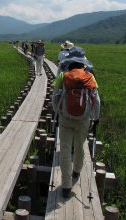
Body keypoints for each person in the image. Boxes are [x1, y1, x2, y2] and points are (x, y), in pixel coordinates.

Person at [51, 47, 100, 198]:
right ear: (83, 63)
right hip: (83, 119)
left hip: (65, 119)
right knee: (80, 146)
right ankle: (77, 171)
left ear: (69, 61)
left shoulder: (63, 76)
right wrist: (95, 117)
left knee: (65, 150)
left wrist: (58, 112)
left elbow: (54, 98)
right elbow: (96, 100)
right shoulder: (90, 77)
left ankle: (66, 186)